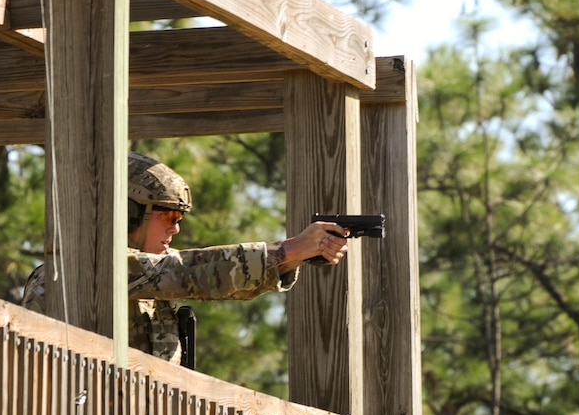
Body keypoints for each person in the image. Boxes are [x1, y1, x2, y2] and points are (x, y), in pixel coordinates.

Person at [23, 151, 349, 366]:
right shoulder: (86, 268)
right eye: (167, 217)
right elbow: (189, 273)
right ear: (130, 213)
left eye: (180, 219)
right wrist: (288, 249)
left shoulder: (144, 283)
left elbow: (227, 286)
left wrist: (292, 258)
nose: (176, 229)